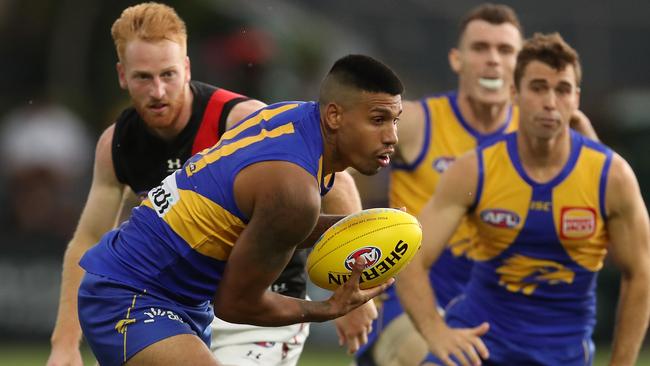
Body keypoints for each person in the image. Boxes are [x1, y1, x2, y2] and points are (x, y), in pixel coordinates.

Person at [46, 3, 373, 366]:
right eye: (143, 77)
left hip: (265, 302)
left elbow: (337, 180)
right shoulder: (118, 143)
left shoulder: (241, 119)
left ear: (186, 68)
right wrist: (64, 343)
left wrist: (353, 280)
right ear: (122, 76)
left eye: (168, 74)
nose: (158, 91)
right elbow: (88, 240)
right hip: (173, 300)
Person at [353, 4, 598, 364]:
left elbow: (608, 204)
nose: (493, 60)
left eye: (505, 50)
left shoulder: (548, 132)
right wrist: (352, 264)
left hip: (505, 312)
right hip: (412, 306)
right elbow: (338, 159)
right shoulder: (417, 123)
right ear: (457, 59)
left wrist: (586, 140)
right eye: (481, 48)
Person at [397, 32, 650, 366]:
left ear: (575, 98)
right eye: (538, 87)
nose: (549, 102)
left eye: (561, 89)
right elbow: (409, 257)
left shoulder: (612, 176)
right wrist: (435, 331)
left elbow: (641, 274)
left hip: (565, 356)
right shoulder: (476, 168)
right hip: (479, 346)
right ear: (514, 93)